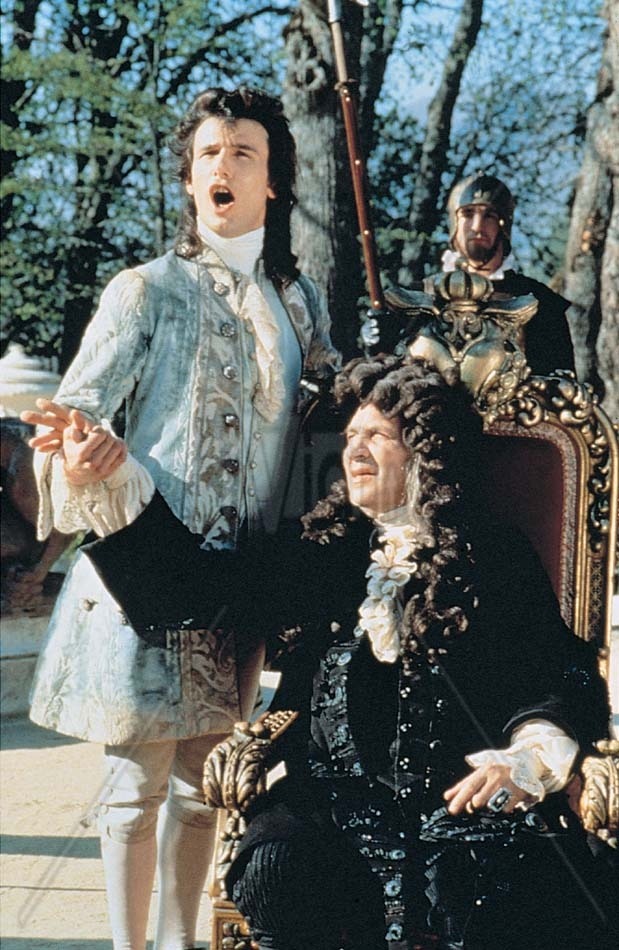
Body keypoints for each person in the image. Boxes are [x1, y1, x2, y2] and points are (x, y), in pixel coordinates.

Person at [21, 86, 339, 950]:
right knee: (134, 790)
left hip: (238, 583)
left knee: (205, 788)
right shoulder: (144, 291)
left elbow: (336, 406)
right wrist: (78, 453)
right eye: (208, 154)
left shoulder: (298, 300)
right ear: (190, 179)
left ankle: (177, 943)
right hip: (149, 570)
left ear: (272, 181)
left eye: (243, 153)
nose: (222, 166)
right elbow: (74, 410)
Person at [215, 355, 611, 949]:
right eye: (350, 435)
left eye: (377, 435)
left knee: (521, 884)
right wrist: (116, 486)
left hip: (462, 800)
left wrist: (526, 758)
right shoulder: (323, 551)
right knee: (278, 864)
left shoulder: (493, 555)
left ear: (425, 453)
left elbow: (553, 674)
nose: (355, 449)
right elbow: (201, 595)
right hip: (333, 804)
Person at [375, 174, 576, 377]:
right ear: (455, 223)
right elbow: (388, 374)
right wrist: (376, 341)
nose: (477, 226)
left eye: (489, 215)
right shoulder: (416, 297)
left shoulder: (540, 302)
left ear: (503, 224)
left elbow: (559, 382)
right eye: (468, 214)